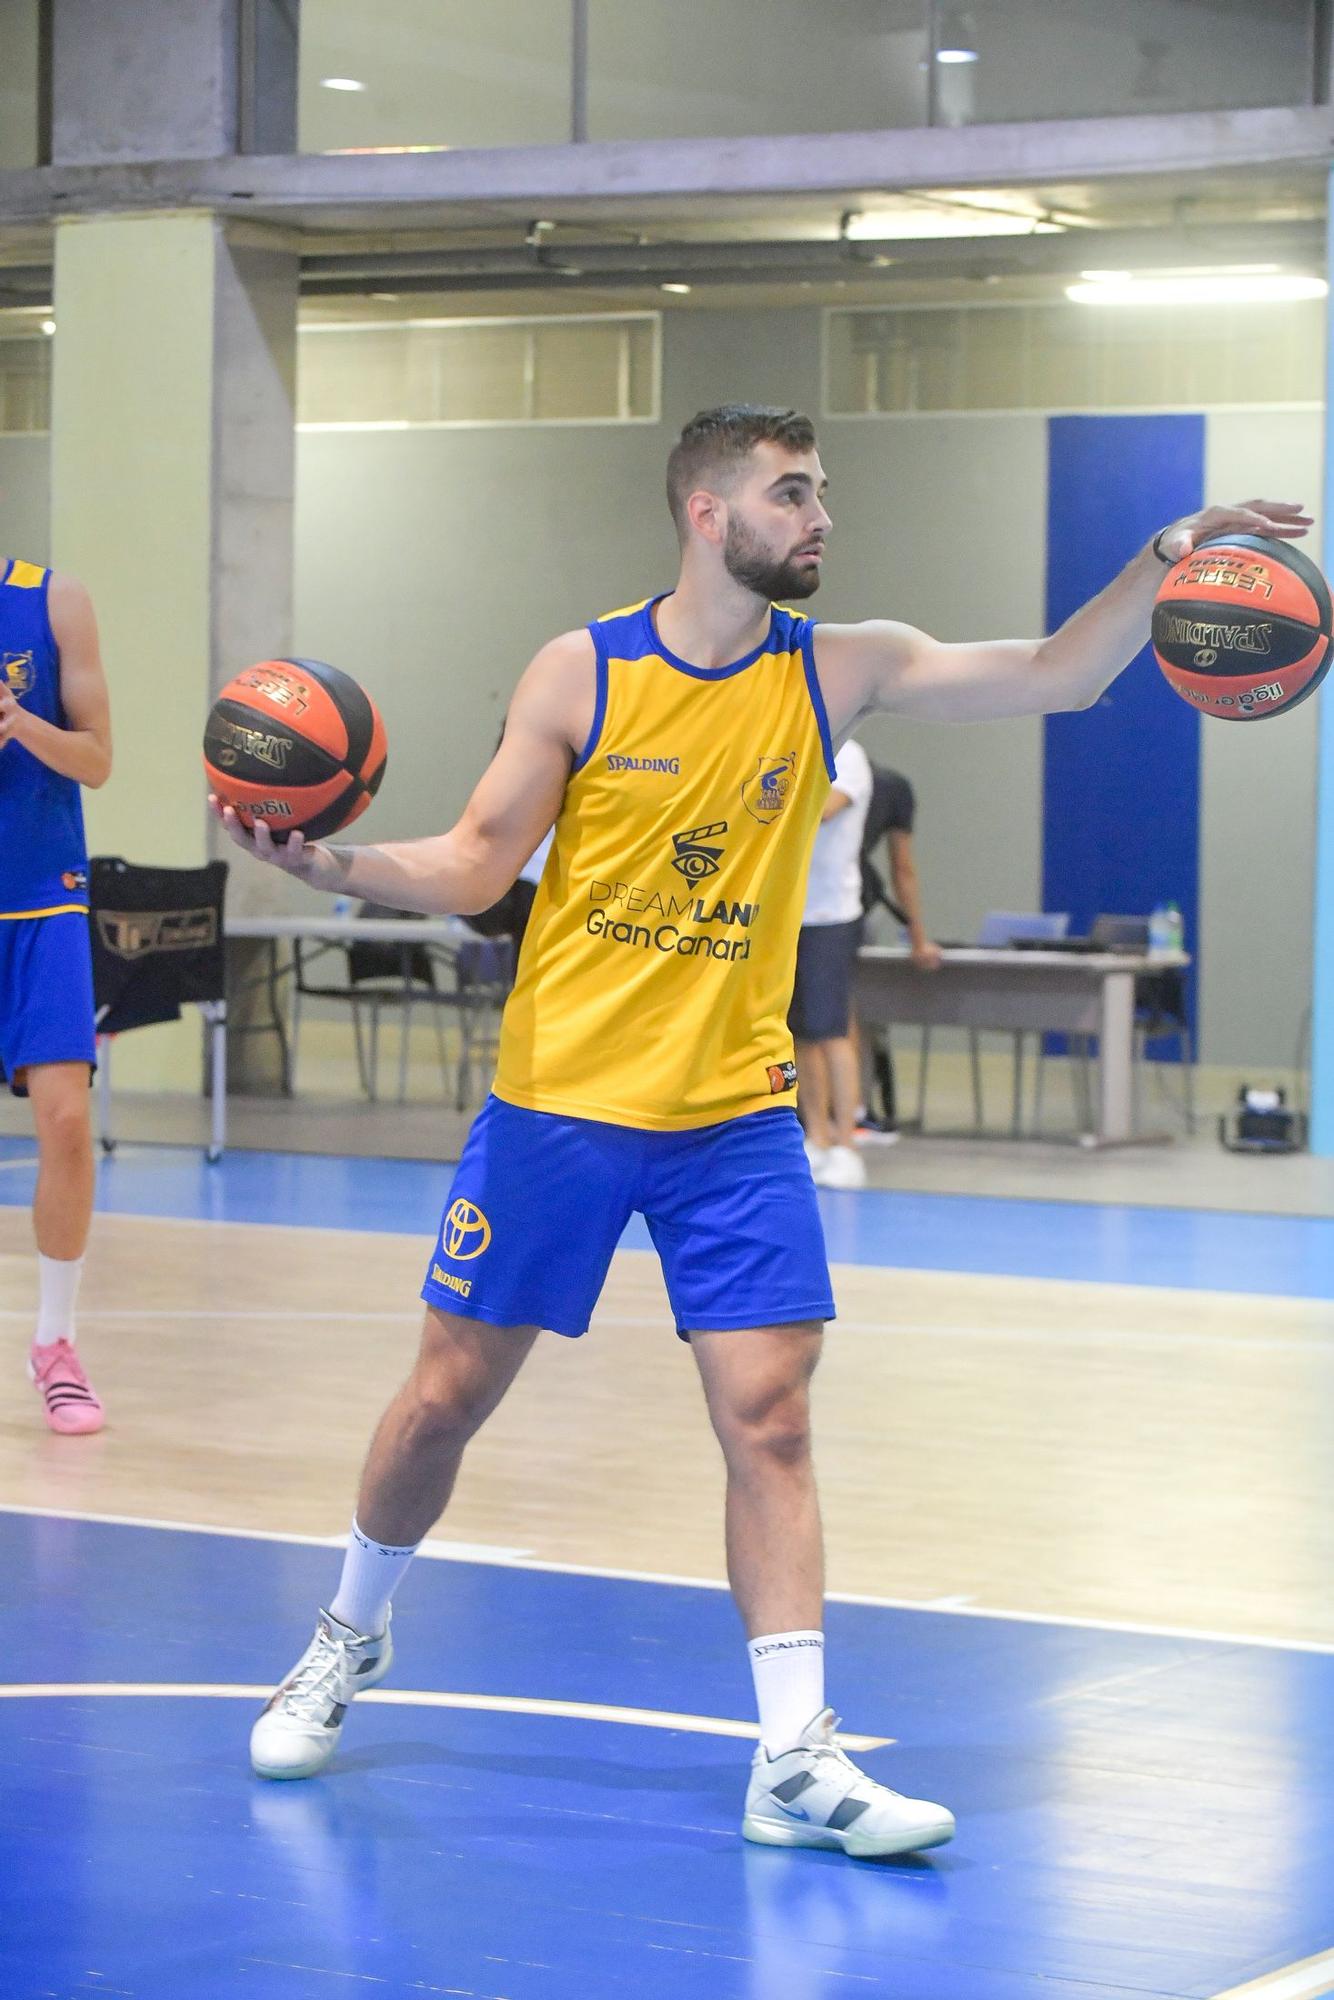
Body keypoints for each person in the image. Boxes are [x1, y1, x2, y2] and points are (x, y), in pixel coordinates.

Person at [213, 408, 1307, 1857]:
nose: (818, 517)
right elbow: (479, 860)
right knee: (441, 1403)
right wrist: (326, 862)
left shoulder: (836, 668)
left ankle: (792, 1756)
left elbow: (1053, 672)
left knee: (771, 1420)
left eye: (820, 492)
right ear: (704, 513)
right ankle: (348, 1632)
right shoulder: (581, 669)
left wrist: (1164, 558)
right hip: (561, 1103)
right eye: (790, 494)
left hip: (733, 1114)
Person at [0, 557, 112, 1434]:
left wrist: (19, 723)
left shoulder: (50, 597)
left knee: (67, 1122)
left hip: (43, 896)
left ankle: (55, 1343)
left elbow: (98, 759)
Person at [790, 734, 873, 1189]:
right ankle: (816, 1136)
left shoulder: (849, 756)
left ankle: (847, 1143)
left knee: (832, 1032)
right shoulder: (793, 746)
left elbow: (819, 810)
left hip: (831, 915)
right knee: (802, 1033)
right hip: (788, 914)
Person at [857, 761, 941, 1137]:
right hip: (838, 907)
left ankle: (854, 1111)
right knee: (847, 1017)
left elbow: (902, 868)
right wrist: (918, 937)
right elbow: (902, 868)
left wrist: (918, 937)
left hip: (844, 907)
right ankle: (853, 1111)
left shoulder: (884, 785)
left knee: (847, 1016)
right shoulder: (885, 784)